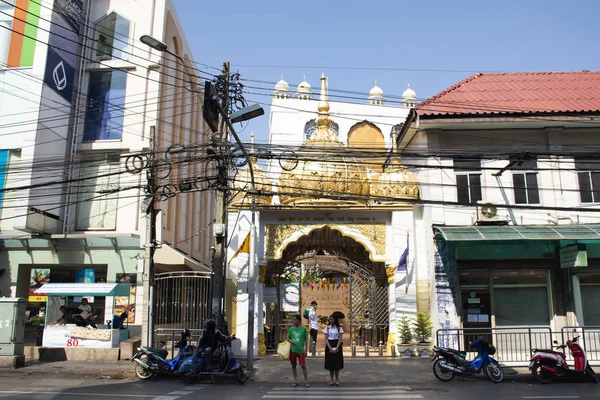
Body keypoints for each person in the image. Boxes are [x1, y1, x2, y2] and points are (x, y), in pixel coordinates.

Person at [287, 314, 310, 387]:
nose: (293, 321)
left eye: (294, 320)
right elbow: (288, 338)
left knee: (303, 365)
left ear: (298, 320)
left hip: (300, 350)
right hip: (293, 350)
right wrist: (291, 341)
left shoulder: (303, 329)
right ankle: (295, 380)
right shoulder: (291, 329)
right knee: (293, 365)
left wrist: (306, 350)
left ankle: (306, 380)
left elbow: (306, 340)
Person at [324, 314, 344, 386]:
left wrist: (337, 348)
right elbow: (326, 339)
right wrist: (330, 348)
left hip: (337, 344)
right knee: (331, 364)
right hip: (329, 344)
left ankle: (337, 380)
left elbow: (340, 338)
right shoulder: (327, 328)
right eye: (330, 319)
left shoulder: (339, 328)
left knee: (337, 364)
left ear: (335, 320)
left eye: (332, 319)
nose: (330, 320)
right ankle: (331, 380)